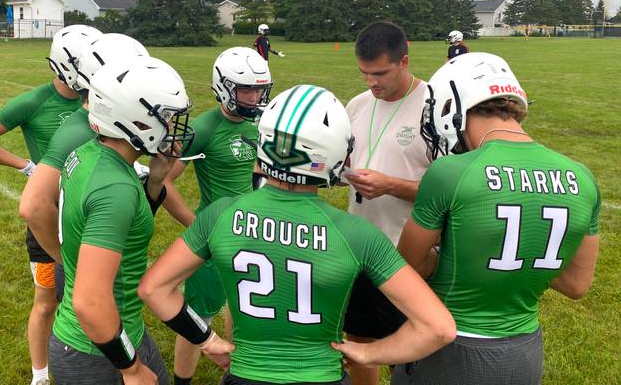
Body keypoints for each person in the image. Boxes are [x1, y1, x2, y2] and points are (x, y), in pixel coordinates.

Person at [139, 84, 456, 385]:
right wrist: (367, 353)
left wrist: (206, 340)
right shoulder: (356, 233)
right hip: (322, 374)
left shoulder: (221, 214)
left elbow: (154, 288)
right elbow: (437, 327)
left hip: (247, 373)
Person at [395, 52, 601, 384]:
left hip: (449, 345)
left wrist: (449, 257)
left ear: (452, 105)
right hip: (523, 351)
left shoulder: (450, 172)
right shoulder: (581, 176)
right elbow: (577, 285)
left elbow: (404, 267)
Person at [0, 23, 99, 385]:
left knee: (96, 291)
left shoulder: (102, 101)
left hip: (89, 211)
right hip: (49, 215)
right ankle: (40, 376)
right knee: (47, 300)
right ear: (67, 65)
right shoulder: (34, 102)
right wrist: (25, 166)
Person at [48, 56, 195, 385]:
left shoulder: (91, 152)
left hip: (112, 330)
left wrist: (155, 182)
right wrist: (130, 369)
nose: (172, 126)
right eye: (166, 117)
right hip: (98, 346)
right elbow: (90, 300)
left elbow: (126, 225)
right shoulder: (115, 186)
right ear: (136, 119)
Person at [160, 46, 272, 385]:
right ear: (224, 87)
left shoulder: (259, 123)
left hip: (249, 230)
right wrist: (198, 226)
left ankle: (238, 369)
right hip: (215, 231)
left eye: (259, 89)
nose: (254, 97)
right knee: (198, 315)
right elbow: (163, 180)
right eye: (246, 89)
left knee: (242, 305)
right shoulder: (205, 128)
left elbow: (256, 169)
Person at [19, 33, 149, 298]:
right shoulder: (81, 130)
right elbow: (33, 204)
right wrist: (63, 257)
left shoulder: (100, 124)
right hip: (84, 257)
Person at [340, 22, 433, 385]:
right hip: (361, 245)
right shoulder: (358, 105)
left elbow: (453, 193)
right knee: (359, 340)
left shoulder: (434, 109)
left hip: (410, 252)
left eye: (379, 73)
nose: (371, 83)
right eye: (364, 73)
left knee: (409, 345)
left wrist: (391, 186)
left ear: (404, 60)